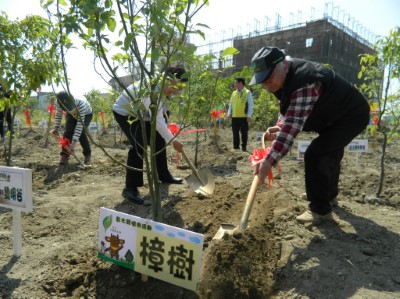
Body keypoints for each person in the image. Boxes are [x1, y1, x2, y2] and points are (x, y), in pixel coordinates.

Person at [250, 46, 370, 225]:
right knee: (331, 153)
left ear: (283, 64)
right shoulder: (282, 79)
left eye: (269, 78)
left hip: (351, 116)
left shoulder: (305, 80)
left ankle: (320, 210)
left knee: (317, 153)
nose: (266, 84)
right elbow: (288, 110)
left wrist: (268, 161)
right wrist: (279, 126)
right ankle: (328, 196)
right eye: (262, 81)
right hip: (330, 116)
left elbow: (293, 124)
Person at [112, 66, 186, 204]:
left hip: (144, 115)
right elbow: (158, 121)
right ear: (170, 80)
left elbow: (162, 115)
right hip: (127, 113)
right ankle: (130, 188)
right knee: (139, 146)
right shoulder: (150, 90)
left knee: (158, 141)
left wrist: (167, 136)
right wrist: (173, 140)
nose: (178, 92)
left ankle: (163, 175)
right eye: (178, 87)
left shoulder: (164, 88)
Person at [51, 91, 93, 165]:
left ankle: (87, 154)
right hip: (71, 114)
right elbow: (58, 114)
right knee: (68, 130)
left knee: (81, 132)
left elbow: (79, 126)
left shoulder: (81, 104)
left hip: (86, 114)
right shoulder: (59, 102)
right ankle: (64, 154)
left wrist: (73, 144)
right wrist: (56, 128)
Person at [226, 77, 253, 152]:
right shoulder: (233, 93)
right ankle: (236, 147)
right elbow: (231, 104)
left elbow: (251, 105)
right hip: (235, 116)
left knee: (244, 133)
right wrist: (229, 114)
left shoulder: (247, 92)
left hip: (244, 117)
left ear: (241, 83)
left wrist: (249, 115)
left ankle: (244, 147)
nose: (235, 84)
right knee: (235, 132)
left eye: (236, 82)